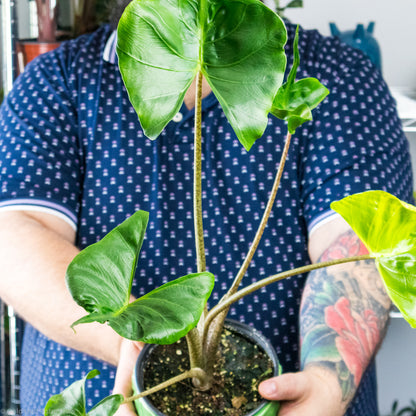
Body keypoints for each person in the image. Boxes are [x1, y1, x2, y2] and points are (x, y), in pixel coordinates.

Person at [0, 1, 413, 415]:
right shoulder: (59, 80)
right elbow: (14, 231)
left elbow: (355, 238)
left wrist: (327, 380)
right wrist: (132, 341)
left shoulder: (336, 76)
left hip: (289, 400)